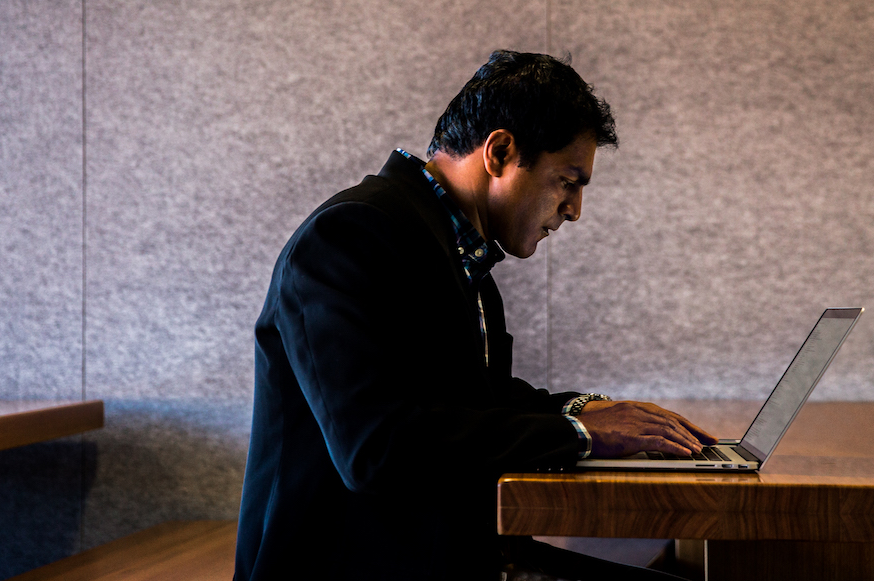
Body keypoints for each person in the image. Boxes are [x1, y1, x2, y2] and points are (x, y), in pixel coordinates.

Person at [234, 51, 714, 580]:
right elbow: (377, 449)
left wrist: (591, 411)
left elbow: (475, 401)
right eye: (568, 181)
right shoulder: (349, 236)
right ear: (501, 152)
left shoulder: (457, 250)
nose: (575, 210)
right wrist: (578, 433)